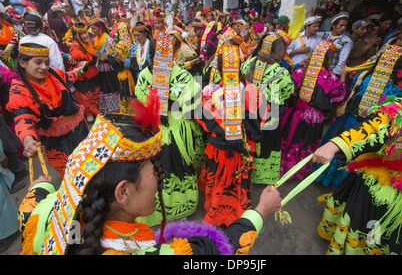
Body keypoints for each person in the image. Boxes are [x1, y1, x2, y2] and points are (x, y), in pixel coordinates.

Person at [18, 107, 282, 255]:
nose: (161, 178)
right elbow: (214, 250)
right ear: (123, 192)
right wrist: (260, 212)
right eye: (154, 171)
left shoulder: (46, 213)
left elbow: (33, 202)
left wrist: (42, 186)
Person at [313, 53, 402, 255]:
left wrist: (334, 146)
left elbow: (375, 127)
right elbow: (374, 127)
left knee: (370, 223)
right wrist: (337, 145)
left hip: (385, 187)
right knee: (381, 230)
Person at [313, 41, 402, 187]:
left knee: (337, 145)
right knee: (353, 153)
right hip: (367, 128)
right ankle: (339, 184)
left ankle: (322, 176)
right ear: (401, 69)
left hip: (347, 120)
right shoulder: (396, 92)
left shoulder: (363, 75)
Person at [134, 29, 205, 227]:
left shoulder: (143, 76)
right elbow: (193, 107)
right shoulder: (183, 77)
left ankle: (155, 209)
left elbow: (141, 100)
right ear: (172, 54)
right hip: (179, 135)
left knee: (152, 172)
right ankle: (182, 206)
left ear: (151, 55)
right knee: (179, 168)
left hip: (151, 133)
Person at [196, 43, 269, 227]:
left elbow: (202, 116)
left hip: (220, 146)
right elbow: (264, 113)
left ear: (220, 69)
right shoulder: (251, 89)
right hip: (242, 147)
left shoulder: (210, 91)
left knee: (220, 176)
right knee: (238, 177)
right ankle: (236, 209)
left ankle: (216, 209)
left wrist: (222, 131)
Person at [6, 42, 89, 177]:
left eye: (46, 62)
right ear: (22, 63)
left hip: (79, 127)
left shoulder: (55, 75)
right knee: (72, 173)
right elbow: (23, 118)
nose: (44, 67)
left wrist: (80, 68)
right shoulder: (19, 91)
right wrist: (28, 140)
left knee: (90, 160)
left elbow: (70, 76)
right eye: (38, 62)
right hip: (57, 141)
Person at [280, 40, 346, 181]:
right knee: (305, 143)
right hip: (314, 118)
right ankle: (299, 171)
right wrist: (344, 77)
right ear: (329, 60)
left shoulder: (299, 72)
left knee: (290, 141)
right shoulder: (332, 80)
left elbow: (288, 93)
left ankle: (285, 169)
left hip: (293, 114)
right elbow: (339, 97)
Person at [240, 33, 295, 185]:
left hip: (249, 112)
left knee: (251, 140)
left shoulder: (249, 63)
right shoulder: (281, 73)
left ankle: (247, 169)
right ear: (278, 51)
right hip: (270, 115)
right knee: (267, 143)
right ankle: (262, 176)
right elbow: (288, 93)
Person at [114, 21, 155, 114]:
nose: (136, 38)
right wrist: (121, 58)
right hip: (139, 80)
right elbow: (133, 65)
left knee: (150, 102)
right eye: (134, 35)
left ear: (145, 34)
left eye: (138, 35)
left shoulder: (152, 45)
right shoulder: (135, 46)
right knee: (141, 102)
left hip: (150, 79)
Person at [68, 21, 99, 123]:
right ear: (76, 35)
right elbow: (79, 61)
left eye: (86, 32)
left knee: (93, 92)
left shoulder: (88, 42)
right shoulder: (75, 47)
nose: (85, 35)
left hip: (91, 73)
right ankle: (88, 113)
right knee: (84, 95)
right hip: (82, 75)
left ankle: (93, 111)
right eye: (82, 34)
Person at [89, 16, 120, 114]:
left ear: (100, 28)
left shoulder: (108, 40)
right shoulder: (97, 40)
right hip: (100, 69)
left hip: (108, 69)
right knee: (102, 88)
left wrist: (105, 58)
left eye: (93, 28)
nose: (92, 31)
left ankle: (113, 109)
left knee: (109, 88)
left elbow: (115, 55)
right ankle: (105, 108)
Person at [317, 12, 353, 76]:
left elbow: (343, 60)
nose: (344, 28)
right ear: (334, 25)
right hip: (317, 69)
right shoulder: (323, 35)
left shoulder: (347, 41)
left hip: (331, 73)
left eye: (345, 26)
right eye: (341, 25)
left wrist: (334, 74)